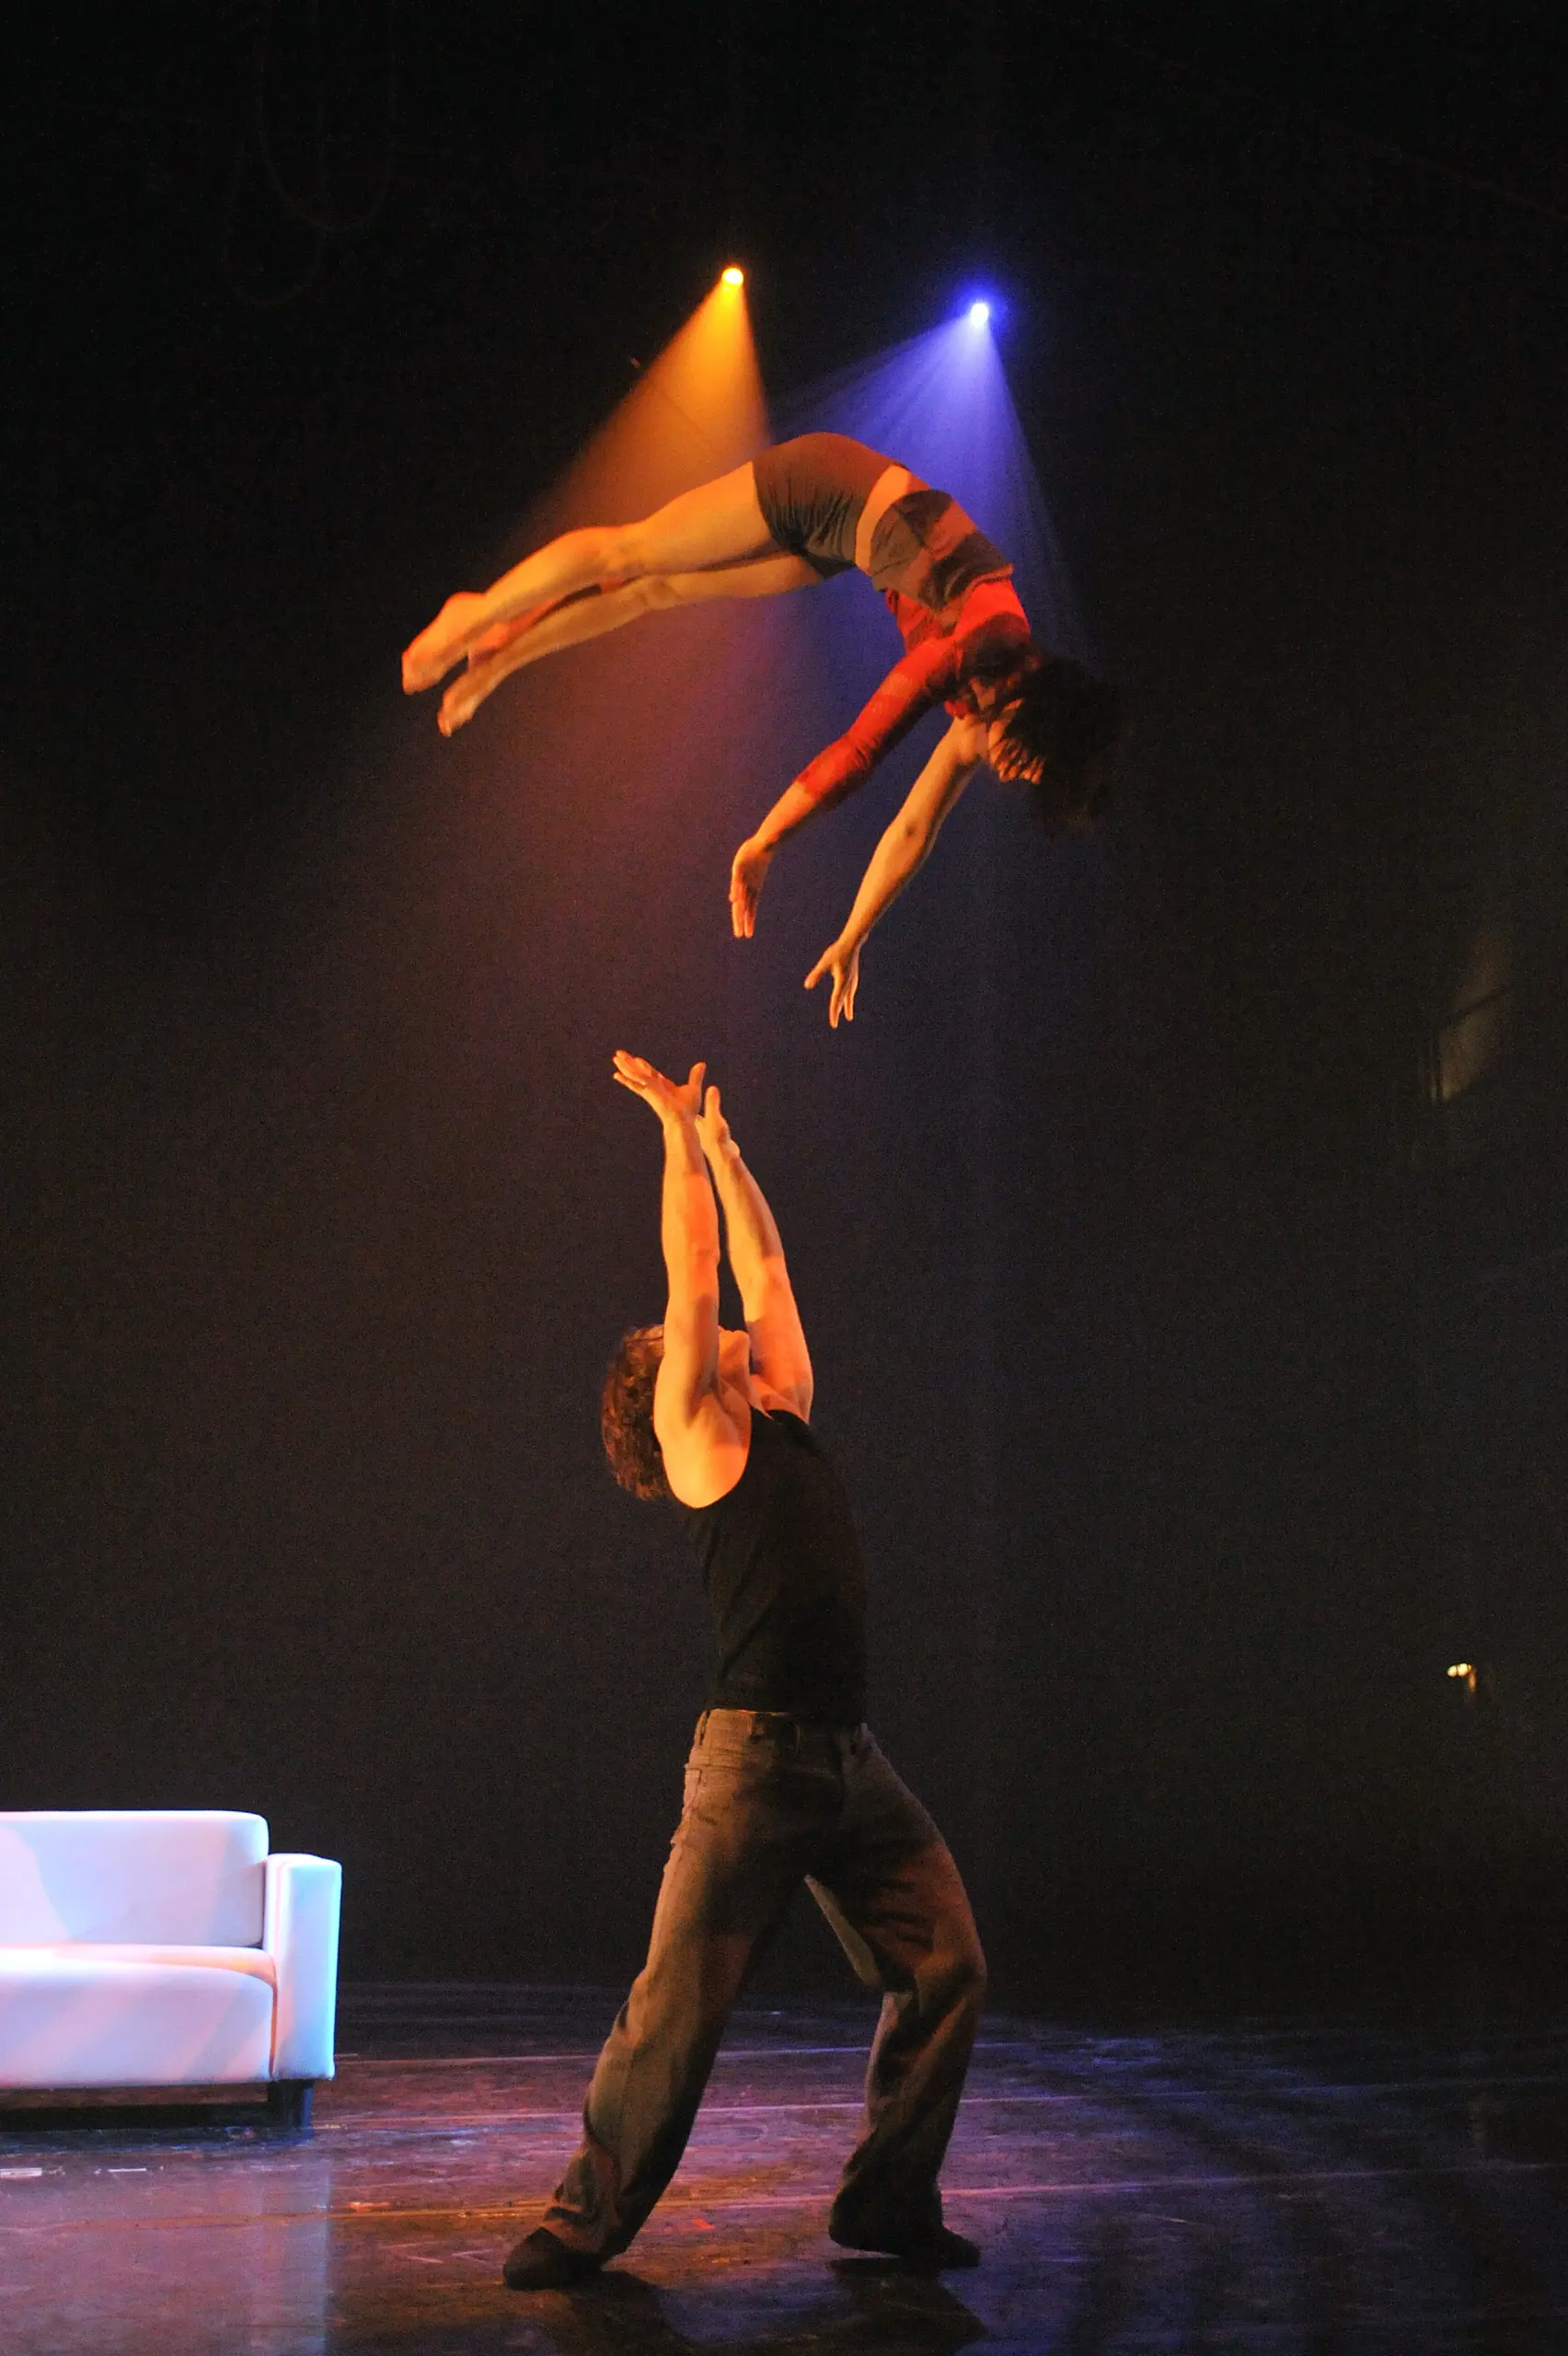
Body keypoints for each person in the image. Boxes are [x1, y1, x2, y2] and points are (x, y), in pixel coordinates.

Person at [502, 1050, 987, 2292]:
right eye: (675, 1339)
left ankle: (886, 2203)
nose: (708, 1332)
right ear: (657, 1384)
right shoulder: (699, 1436)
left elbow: (761, 1268)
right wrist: (674, 1139)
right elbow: (702, 1267)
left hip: (850, 1760)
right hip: (753, 1765)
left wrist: (728, 1151)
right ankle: (583, 2218)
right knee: (679, 2010)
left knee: (947, 1966)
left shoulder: (784, 1409)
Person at [402, 433, 1120, 1018]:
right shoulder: (986, 643)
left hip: (846, 543)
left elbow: (912, 829)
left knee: (659, 591)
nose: (1014, 773)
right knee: (634, 552)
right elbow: (862, 749)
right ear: (1036, 710)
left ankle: (498, 661)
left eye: (1031, 779)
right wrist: (765, 840)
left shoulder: (987, 714)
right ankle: (477, 612)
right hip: (828, 481)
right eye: (1032, 761)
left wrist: (853, 935)